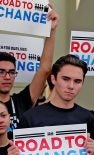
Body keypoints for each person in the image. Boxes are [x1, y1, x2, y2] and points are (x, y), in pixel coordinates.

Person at [0, 5, 59, 135]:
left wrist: (51, 30)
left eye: (11, 72)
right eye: (1, 72)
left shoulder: (21, 101)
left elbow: (44, 69)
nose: (7, 76)